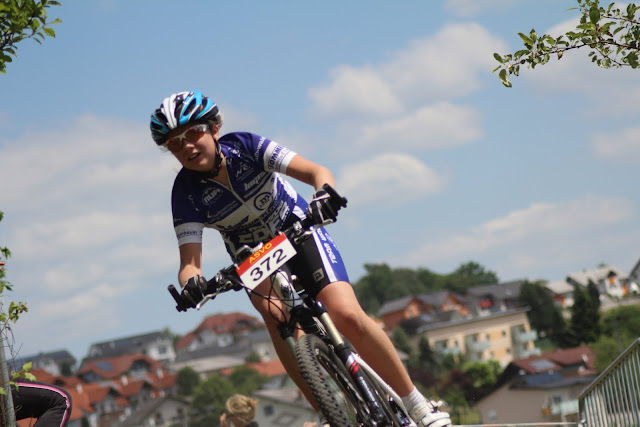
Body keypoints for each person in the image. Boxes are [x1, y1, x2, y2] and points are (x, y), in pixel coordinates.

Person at [150, 91, 451, 427]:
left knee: (346, 313)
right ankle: (326, 411)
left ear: (214, 129)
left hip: (296, 229)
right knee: (276, 319)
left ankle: (416, 403)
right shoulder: (185, 193)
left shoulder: (246, 147)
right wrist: (192, 285)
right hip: (252, 256)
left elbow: (316, 171)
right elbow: (189, 264)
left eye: (193, 133)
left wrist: (324, 194)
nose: (187, 146)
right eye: (175, 143)